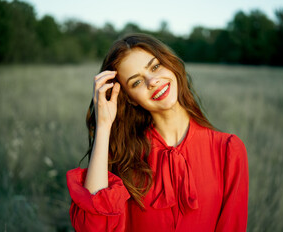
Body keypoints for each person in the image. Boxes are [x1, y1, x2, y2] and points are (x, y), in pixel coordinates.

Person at [66, 33, 249, 232]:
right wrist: (103, 125)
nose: (152, 81)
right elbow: (92, 228)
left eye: (155, 67)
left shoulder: (228, 150)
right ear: (131, 99)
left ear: (170, 65)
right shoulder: (124, 156)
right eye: (136, 82)